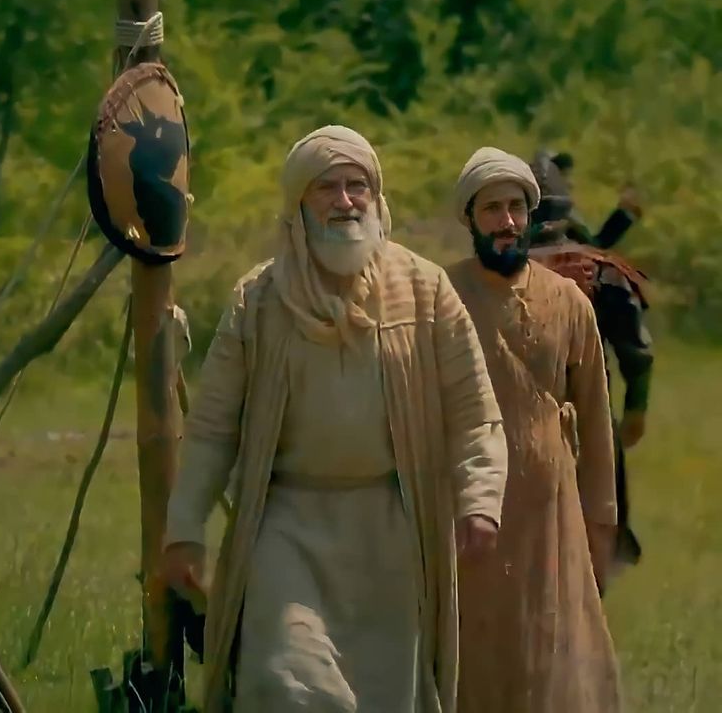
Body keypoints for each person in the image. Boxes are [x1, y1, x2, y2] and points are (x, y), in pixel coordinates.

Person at [162, 126, 509, 713]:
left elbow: (474, 411)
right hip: (289, 528)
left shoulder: (425, 291)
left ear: (377, 200)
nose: (345, 202)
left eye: (358, 187)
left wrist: (480, 498)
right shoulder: (260, 300)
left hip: (391, 531)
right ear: (299, 202)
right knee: (285, 682)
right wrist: (185, 529)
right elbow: (214, 429)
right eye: (328, 187)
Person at [446, 147, 621, 712]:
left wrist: (601, 521)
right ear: (470, 218)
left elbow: (595, 419)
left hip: (552, 517)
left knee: (555, 660)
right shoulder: (440, 298)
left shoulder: (569, 302)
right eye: (492, 208)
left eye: (516, 206)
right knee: (476, 658)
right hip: (471, 519)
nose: (507, 221)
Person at [528, 153, 653, 566]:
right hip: (580, 424)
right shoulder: (597, 269)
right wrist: (636, 407)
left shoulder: (487, 275)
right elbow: (637, 353)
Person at [535, 149, 643, 248]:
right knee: (596, 244)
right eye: (566, 175)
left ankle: (625, 213)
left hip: (561, 225)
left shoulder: (547, 180)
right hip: (556, 225)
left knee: (596, 243)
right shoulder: (549, 190)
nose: (571, 183)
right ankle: (625, 214)